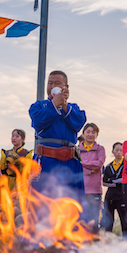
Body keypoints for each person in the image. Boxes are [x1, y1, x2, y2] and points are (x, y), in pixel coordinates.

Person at [29, 70, 86, 202]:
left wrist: (64, 105)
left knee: (71, 204)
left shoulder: (73, 108)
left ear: (66, 87)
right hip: (46, 161)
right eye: (50, 83)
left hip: (70, 163)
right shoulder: (38, 106)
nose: (52, 85)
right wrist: (54, 104)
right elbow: (38, 122)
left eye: (57, 83)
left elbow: (79, 123)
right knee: (43, 205)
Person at [78, 123, 106, 229]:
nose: (90, 134)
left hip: (94, 190)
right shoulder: (77, 149)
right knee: (80, 220)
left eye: (93, 132)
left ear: (97, 135)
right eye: (88, 132)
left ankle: (93, 245)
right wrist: (90, 170)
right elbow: (76, 165)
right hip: (80, 189)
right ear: (83, 134)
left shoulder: (100, 149)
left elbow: (99, 164)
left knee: (93, 222)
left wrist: (82, 164)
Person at [101, 142, 127, 232]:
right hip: (110, 196)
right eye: (117, 150)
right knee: (108, 221)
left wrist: (112, 180)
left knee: (124, 221)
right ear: (113, 151)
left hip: (122, 196)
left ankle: (125, 241)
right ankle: (108, 241)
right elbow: (104, 182)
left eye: (121, 150)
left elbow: (124, 178)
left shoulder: (126, 165)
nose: (119, 152)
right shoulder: (108, 167)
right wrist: (115, 181)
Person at [0, 129, 32, 193]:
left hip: (19, 186)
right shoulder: (5, 153)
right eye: (13, 136)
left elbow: (27, 172)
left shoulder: (26, 154)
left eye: (17, 136)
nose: (14, 138)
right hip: (6, 184)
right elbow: (1, 169)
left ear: (23, 139)